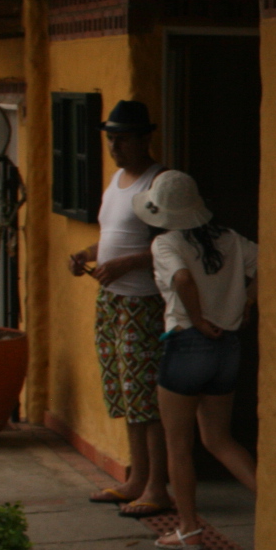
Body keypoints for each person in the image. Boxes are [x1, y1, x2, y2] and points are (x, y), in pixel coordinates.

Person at [134, 169, 259, 550]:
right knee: (219, 439)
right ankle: (271, 504)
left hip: (188, 343)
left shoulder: (166, 243)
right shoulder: (230, 239)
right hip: (228, 346)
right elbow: (267, 264)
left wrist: (200, 321)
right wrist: (246, 302)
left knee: (179, 445)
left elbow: (184, 281)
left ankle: (189, 530)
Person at [70, 99, 171, 516]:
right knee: (126, 395)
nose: (115, 147)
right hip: (111, 301)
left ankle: (157, 486)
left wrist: (127, 264)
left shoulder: (159, 182)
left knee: (146, 398)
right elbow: (112, 235)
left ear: (145, 138)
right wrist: (87, 254)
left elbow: (174, 244)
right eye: (111, 139)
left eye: (123, 139)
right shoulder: (115, 181)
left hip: (142, 303)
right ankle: (136, 478)